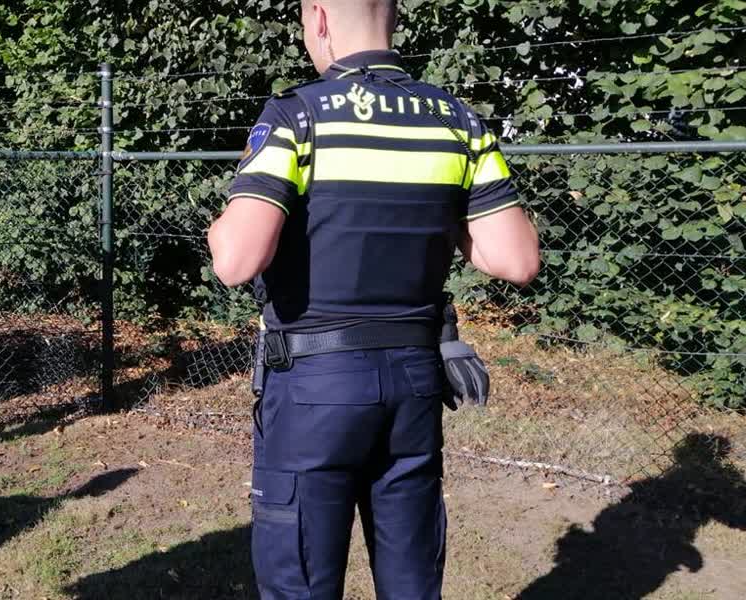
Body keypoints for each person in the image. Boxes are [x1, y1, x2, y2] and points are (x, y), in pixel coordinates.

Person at [207, 1, 540, 598]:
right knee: (412, 577)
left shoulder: (297, 115)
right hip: (415, 383)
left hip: (314, 387)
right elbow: (515, 261)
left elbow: (236, 262)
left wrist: (224, 221)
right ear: (393, 17)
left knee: (300, 579)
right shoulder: (457, 121)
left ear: (318, 18)